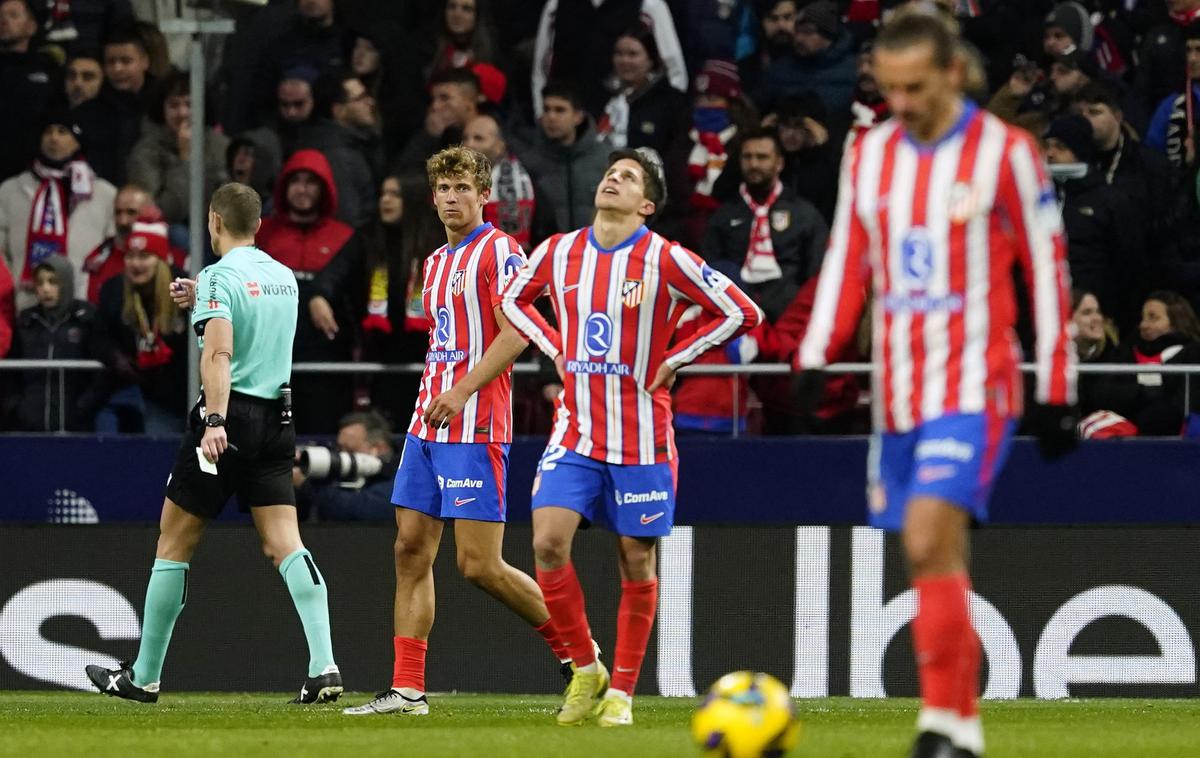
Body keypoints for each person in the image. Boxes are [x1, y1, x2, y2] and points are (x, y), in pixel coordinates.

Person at [794, 14, 1076, 757]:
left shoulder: (1005, 153)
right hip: (898, 395)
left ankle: (937, 724)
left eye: (915, 87)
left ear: (953, 74)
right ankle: (962, 731)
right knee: (933, 557)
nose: (903, 102)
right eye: (889, 89)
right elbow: (848, 255)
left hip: (975, 386)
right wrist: (814, 356)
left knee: (925, 539)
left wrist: (1057, 386)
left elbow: (1046, 267)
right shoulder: (873, 150)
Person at [502, 148, 762, 726]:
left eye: (628, 178)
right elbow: (511, 301)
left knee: (635, 560)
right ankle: (584, 666)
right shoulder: (558, 250)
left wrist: (675, 357)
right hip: (576, 431)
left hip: (642, 437)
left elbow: (743, 312)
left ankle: (621, 691)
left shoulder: (666, 259)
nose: (612, 179)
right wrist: (553, 349)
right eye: (610, 172)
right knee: (546, 542)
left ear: (647, 205)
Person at [85, 182, 344, 705]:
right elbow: (251, 325)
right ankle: (325, 666)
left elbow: (221, 353)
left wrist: (215, 420)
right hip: (279, 417)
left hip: (229, 417)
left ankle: (144, 677)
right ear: (259, 225)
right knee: (285, 544)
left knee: (174, 542)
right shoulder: (283, 277)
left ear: (214, 222)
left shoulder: (217, 279)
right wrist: (196, 298)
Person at [341, 146, 573, 718]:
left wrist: (464, 389)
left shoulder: (502, 251)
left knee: (478, 565)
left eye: (462, 188)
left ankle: (581, 653)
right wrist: (436, 397)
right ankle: (408, 690)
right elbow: (444, 340)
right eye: (443, 188)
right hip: (429, 421)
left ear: (484, 194)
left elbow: (518, 333)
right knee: (410, 549)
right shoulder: (438, 260)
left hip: (475, 424)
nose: (451, 198)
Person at [307, 173, 443, 423]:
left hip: (434, 362)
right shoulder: (368, 236)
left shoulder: (439, 239)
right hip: (381, 362)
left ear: (412, 200)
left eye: (395, 194)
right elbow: (335, 272)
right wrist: (319, 296)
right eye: (383, 194)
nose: (386, 200)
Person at [256, 148, 355, 433]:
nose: (302, 189)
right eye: (295, 181)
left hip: (326, 358)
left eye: (311, 182)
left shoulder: (344, 237)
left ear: (324, 188)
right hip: (269, 357)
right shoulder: (262, 234)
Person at [702, 127, 827, 322]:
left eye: (762, 157)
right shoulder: (724, 215)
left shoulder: (804, 214)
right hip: (735, 319)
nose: (753, 164)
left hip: (790, 319)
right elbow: (709, 272)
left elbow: (817, 274)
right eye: (747, 157)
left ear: (779, 163)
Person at [0, 110, 116, 311]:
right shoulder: (12, 189)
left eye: (63, 132)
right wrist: (11, 283)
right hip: (24, 303)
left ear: (78, 140)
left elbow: (112, 249)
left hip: (84, 304)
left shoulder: (103, 193)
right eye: (48, 131)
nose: (54, 137)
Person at [1043, 114, 1142, 333]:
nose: (1050, 153)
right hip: (1046, 312)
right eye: (1047, 146)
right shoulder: (1041, 198)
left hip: (1098, 315)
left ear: (1079, 150)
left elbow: (1129, 263)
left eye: (1060, 146)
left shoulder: (1110, 201)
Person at [94, 219, 188, 434]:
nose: (136, 264)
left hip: (179, 395)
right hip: (134, 391)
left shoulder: (185, 292)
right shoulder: (114, 290)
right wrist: (116, 357)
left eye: (144, 256)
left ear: (161, 261)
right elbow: (97, 337)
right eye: (130, 256)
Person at [531, 0, 688, 118]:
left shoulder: (648, 5)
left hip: (627, 120)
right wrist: (541, 113)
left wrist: (667, 120)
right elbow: (541, 69)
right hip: (567, 120)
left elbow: (674, 70)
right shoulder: (557, 5)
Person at [6, 255, 103, 431]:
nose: (46, 289)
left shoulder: (87, 319)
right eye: (40, 283)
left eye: (53, 282)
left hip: (76, 426)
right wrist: (17, 407)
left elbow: (100, 375)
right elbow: (11, 375)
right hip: (30, 426)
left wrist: (84, 406)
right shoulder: (25, 322)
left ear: (65, 282)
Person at [127, 68, 231, 227]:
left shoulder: (221, 145)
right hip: (168, 232)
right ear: (162, 110)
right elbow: (161, 212)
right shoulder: (146, 150)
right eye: (174, 105)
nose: (182, 113)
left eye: (189, 104)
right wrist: (185, 158)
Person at [512, 81, 611, 234]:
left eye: (560, 110)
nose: (551, 117)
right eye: (546, 110)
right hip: (547, 253)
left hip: (595, 253)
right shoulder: (527, 162)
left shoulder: (605, 159)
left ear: (578, 116)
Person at [72, 26, 155, 185]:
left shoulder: (162, 107)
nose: (117, 68)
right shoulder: (87, 113)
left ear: (145, 62)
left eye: (126, 61)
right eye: (111, 62)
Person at [597, 23, 689, 159]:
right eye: (619, 54)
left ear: (650, 60)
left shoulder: (671, 101)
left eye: (632, 54)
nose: (624, 60)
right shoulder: (601, 95)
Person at [463, 113, 549, 249]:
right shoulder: (449, 182)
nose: (469, 144)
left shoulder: (526, 183)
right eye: (465, 138)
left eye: (478, 139)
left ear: (499, 146)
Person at [295, 410, 398, 522]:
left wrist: (305, 485)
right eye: (340, 449)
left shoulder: (402, 475)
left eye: (350, 450)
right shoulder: (341, 474)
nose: (342, 456)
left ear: (379, 448)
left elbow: (363, 509)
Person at [0, 0, 61, 182]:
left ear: (32, 26)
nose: (3, 21)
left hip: (34, 171)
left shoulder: (49, 69)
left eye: (13, 15)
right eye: (0, 16)